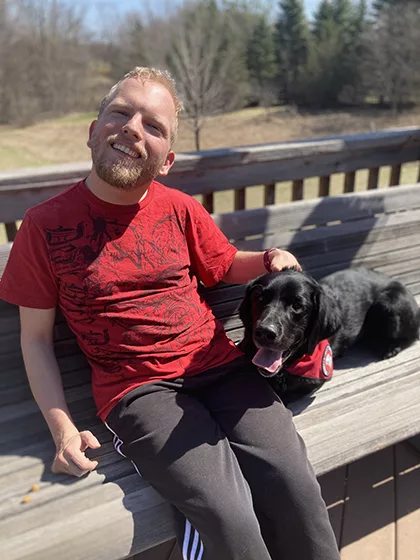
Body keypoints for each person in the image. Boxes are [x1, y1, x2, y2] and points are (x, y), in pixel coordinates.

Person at [0, 67, 340, 560]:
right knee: (231, 515)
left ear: (166, 161)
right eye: (121, 113)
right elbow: (34, 340)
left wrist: (268, 259)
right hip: (138, 391)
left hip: (221, 365)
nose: (134, 129)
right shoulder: (44, 226)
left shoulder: (179, 208)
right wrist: (63, 429)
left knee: (294, 483)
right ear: (93, 130)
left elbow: (224, 265)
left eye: (154, 126)